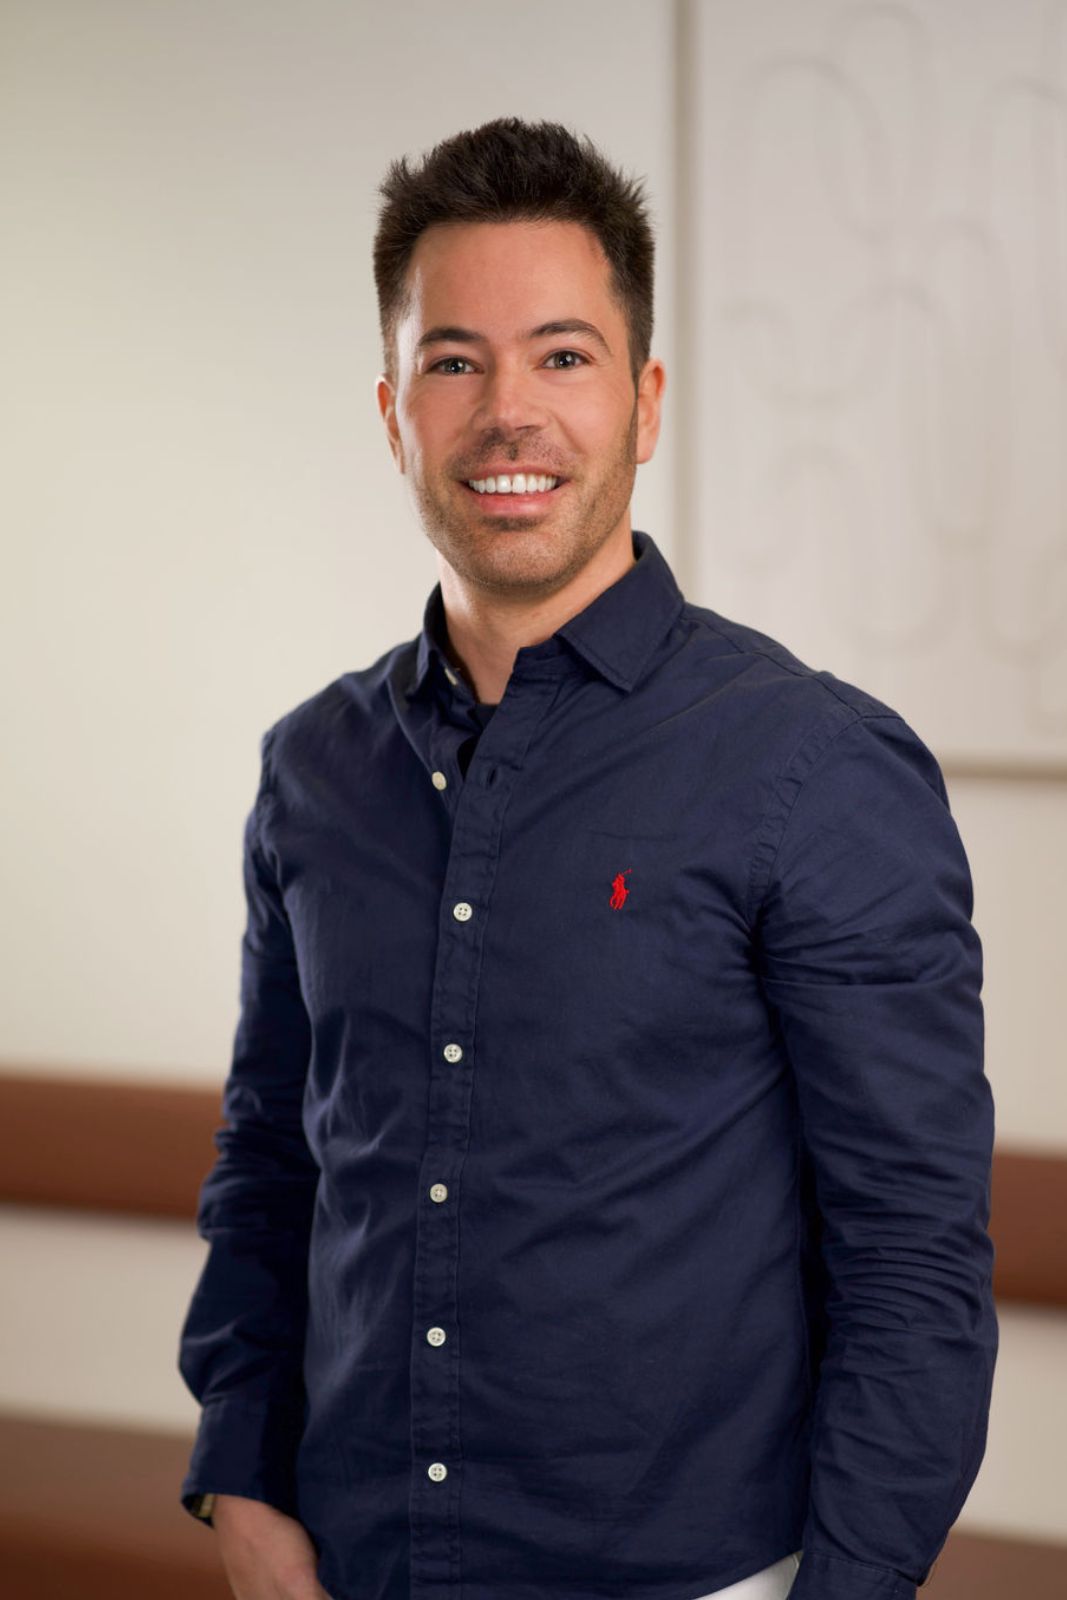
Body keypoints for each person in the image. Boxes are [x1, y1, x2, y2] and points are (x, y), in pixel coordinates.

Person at [177, 117, 998, 1600]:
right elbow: (273, 1163)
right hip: (354, 1566)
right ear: (392, 413)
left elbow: (913, 1262)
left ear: (644, 401)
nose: (509, 414)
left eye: (563, 356)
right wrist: (240, 1473)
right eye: (455, 362)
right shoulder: (313, 771)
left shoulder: (814, 766)